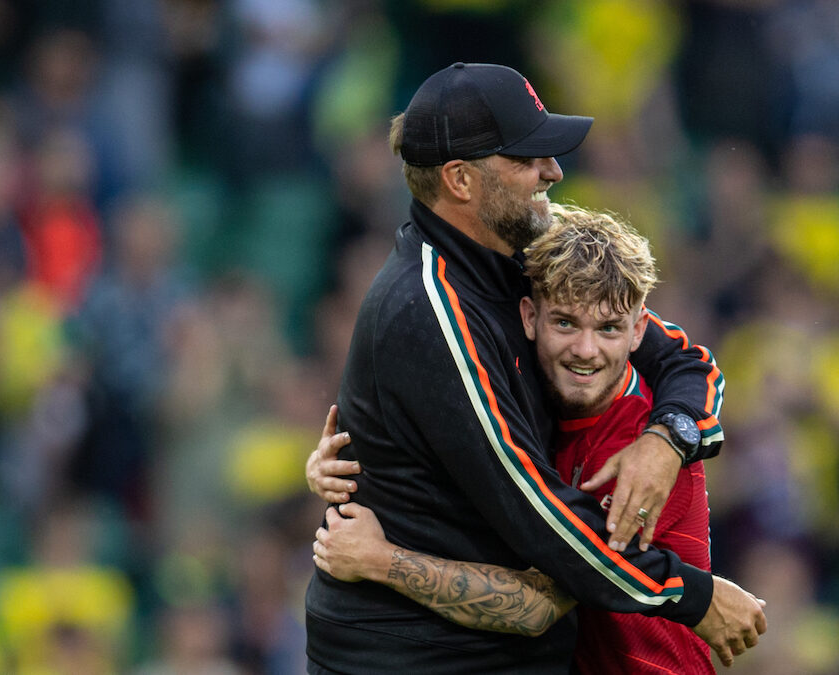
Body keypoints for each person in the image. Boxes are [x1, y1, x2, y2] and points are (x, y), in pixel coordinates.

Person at [303, 62, 765, 674]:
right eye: (528, 157)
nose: (554, 170)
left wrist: (668, 439)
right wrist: (696, 597)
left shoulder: (523, 255)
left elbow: (681, 358)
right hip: (419, 660)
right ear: (461, 180)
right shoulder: (430, 309)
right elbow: (541, 514)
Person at [314, 204, 720, 674]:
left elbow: (536, 607)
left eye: (609, 328)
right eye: (565, 322)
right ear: (528, 319)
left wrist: (380, 561)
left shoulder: (632, 454)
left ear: (638, 332)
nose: (586, 351)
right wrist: (346, 461)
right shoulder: (536, 402)